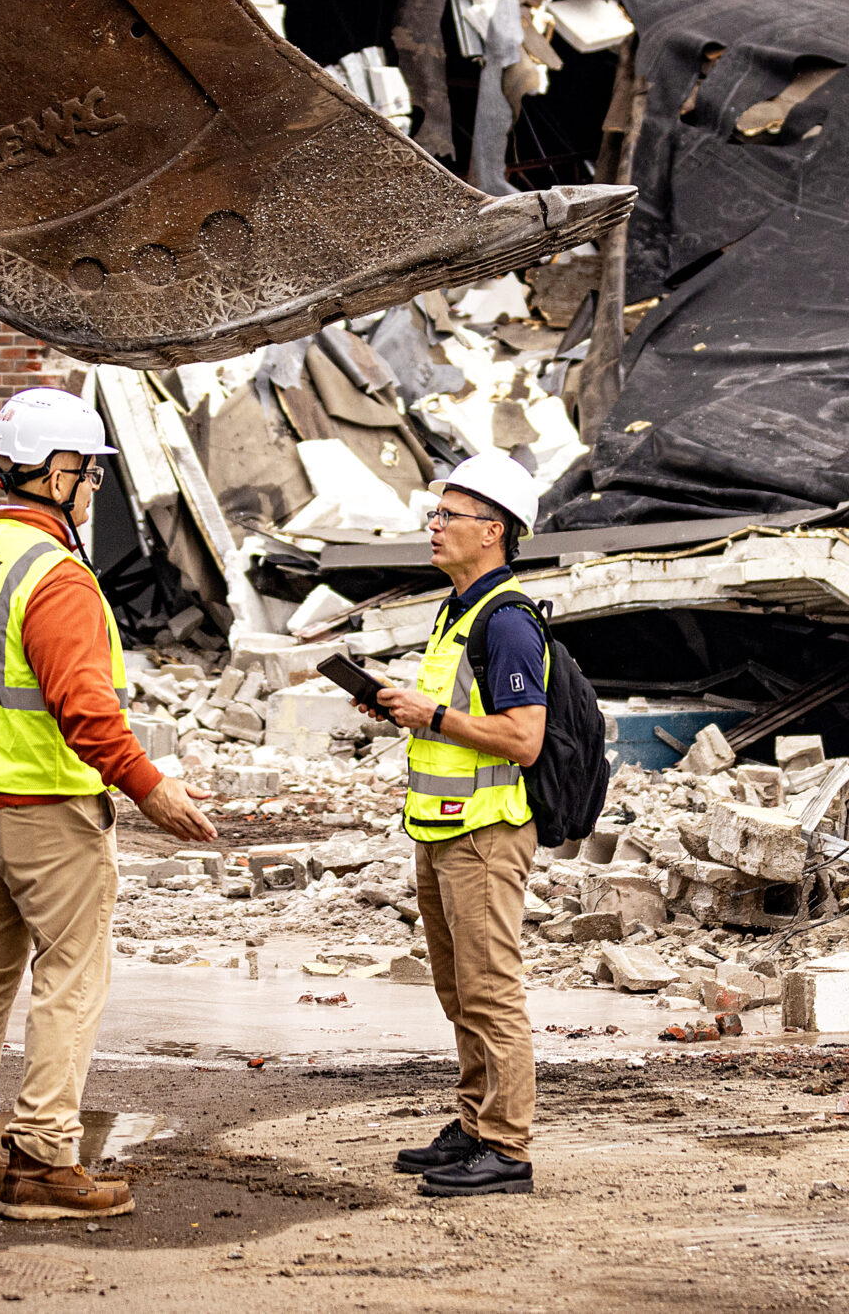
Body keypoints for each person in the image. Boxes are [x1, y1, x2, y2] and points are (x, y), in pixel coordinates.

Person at [0, 386, 217, 1220]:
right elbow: (86, 709)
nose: (95, 491)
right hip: (46, 810)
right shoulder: (57, 577)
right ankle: (44, 1159)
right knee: (71, 976)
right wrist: (152, 789)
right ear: (57, 473)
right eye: (90, 475)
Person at [367, 452, 549, 1197]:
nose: (434, 525)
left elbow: (523, 737)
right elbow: (456, 723)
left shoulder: (506, 623)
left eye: (450, 515)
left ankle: (505, 1146)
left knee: (490, 989)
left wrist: (431, 713)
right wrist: (405, 706)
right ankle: (475, 1124)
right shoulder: (459, 611)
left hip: (485, 835)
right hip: (441, 830)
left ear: (494, 531)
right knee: (458, 990)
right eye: (434, 513)